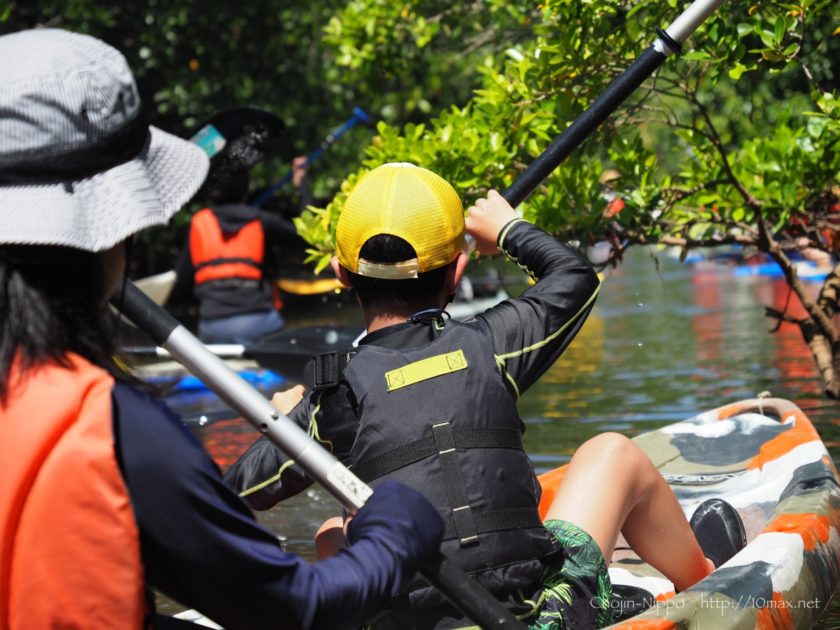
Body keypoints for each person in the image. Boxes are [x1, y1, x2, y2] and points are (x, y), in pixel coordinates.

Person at [0, 29, 445, 629]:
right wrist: (397, 526)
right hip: (259, 326)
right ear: (112, 233)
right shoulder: (113, 430)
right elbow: (295, 609)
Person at [224, 163, 747, 628]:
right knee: (612, 453)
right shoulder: (490, 344)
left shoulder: (330, 400)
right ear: (457, 271)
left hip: (406, 619)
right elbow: (575, 278)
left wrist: (288, 421)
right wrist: (508, 229)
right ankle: (702, 579)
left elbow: (228, 499)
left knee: (332, 532)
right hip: (532, 619)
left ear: (341, 277)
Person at [167, 107, 310, 344]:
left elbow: (182, 281)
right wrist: (302, 185)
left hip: (213, 327)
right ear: (245, 188)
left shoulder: (199, 223)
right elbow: (306, 234)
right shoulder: (260, 220)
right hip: (259, 323)